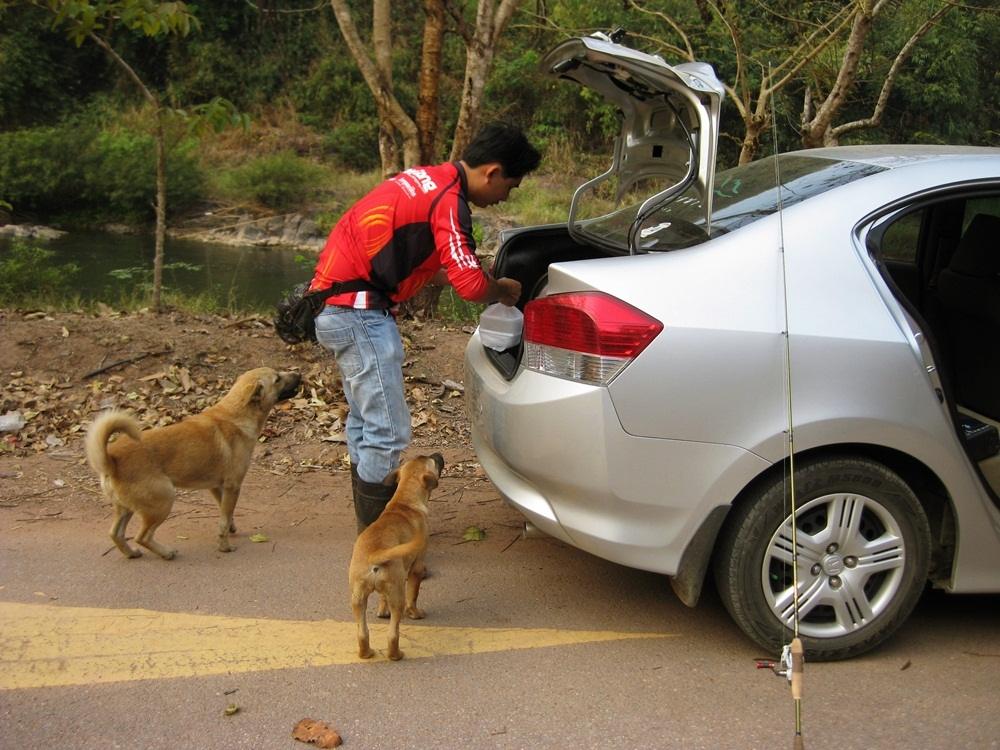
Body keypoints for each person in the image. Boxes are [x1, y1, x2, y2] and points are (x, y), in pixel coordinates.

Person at [310, 122, 541, 532]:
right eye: (511, 185)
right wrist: (501, 290)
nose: (507, 195)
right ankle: (381, 544)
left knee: (365, 421)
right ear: (492, 172)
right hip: (359, 313)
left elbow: (437, 269)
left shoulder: (425, 178)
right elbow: (471, 287)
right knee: (388, 431)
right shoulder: (449, 200)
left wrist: (471, 271)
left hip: (336, 305)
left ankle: (370, 532)